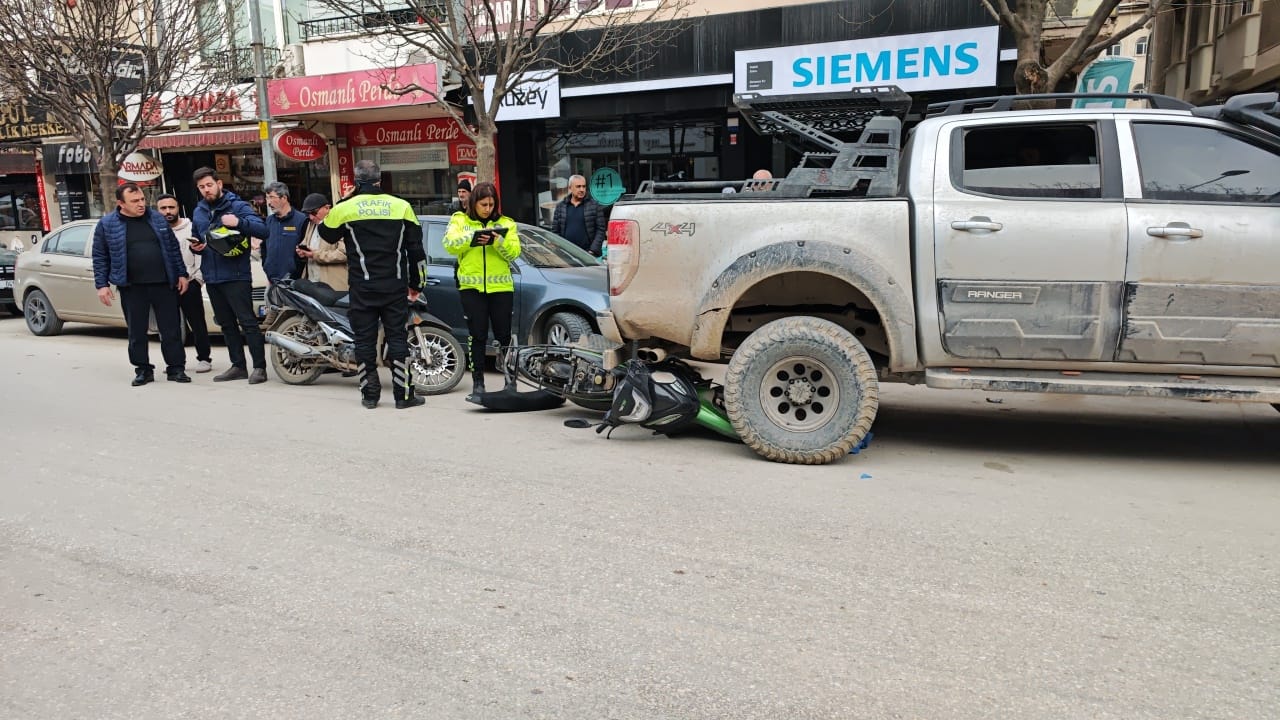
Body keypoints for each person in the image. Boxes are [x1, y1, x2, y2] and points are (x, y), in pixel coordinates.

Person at [319, 159, 427, 410]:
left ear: (356, 182)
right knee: (398, 339)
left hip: (362, 287)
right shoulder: (402, 206)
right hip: (394, 286)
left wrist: (344, 200)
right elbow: (417, 251)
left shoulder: (346, 208)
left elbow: (326, 233)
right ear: (380, 180)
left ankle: (370, 396)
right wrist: (416, 284)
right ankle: (404, 396)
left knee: (364, 341)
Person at [92, 183, 191, 386]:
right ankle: (143, 370)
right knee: (137, 332)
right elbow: (100, 256)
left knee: (171, 329)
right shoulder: (108, 224)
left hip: (164, 283)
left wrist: (181, 274)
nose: (141, 204)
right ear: (121, 203)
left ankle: (176, 368)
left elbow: (172, 248)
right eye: (135, 201)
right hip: (132, 286)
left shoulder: (156, 218)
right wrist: (101, 285)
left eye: (142, 200)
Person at [188, 166, 270, 385]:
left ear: (219, 184)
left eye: (209, 185)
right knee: (226, 324)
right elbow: (199, 237)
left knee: (248, 323)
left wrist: (239, 223)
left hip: (236, 275)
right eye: (201, 187)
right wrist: (197, 246)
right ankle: (238, 366)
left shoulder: (238, 206)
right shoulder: (199, 211)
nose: (206, 190)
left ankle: (259, 368)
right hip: (212, 276)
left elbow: (262, 230)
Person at [443, 181, 521, 403]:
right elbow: (449, 244)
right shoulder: (460, 220)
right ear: (474, 203)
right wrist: (474, 237)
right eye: (483, 204)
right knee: (477, 336)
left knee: (504, 336)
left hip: (501, 288)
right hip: (472, 288)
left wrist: (498, 241)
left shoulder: (507, 223)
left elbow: (514, 253)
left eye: (491, 204)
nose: (487, 208)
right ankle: (478, 383)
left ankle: (510, 381)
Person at [157, 193, 213, 374]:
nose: (167, 211)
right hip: (166, 286)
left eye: (171, 207)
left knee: (197, 323)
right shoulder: (156, 230)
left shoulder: (191, 228)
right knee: (169, 326)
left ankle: (204, 358)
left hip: (190, 282)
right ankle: (175, 361)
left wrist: (198, 279)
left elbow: (200, 254)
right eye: (163, 208)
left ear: (178, 208)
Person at [296, 193, 347, 291]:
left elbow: (343, 253)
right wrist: (302, 252)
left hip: (333, 286)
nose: (311, 217)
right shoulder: (311, 224)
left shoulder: (338, 223)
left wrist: (315, 255)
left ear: (327, 208)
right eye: (308, 214)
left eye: (314, 213)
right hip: (313, 283)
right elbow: (306, 244)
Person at [262, 182, 308, 284]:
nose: (268, 203)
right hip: (272, 281)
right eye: (267, 198)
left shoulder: (301, 220)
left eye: (271, 197)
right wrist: (267, 269)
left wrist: (295, 275)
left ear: (284, 198)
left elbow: (305, 252)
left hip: (295, 282)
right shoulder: (269, 221)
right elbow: (264, 247)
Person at [550, 174, 605, 257]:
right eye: (578, 186)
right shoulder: (561, 207)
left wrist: (592, 251)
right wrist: (559, 251)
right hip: (566, 255)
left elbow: (601, 230)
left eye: (584, 186)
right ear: (570, 188)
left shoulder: (594, 206)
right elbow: (555, 231)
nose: (582, 189)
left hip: (588, 255)